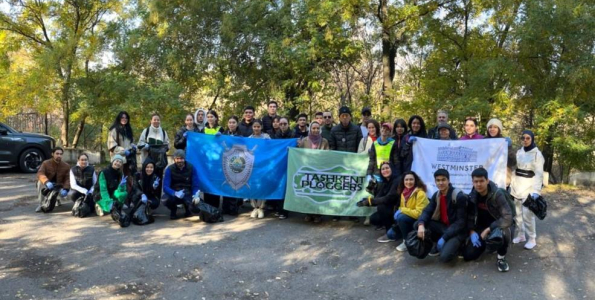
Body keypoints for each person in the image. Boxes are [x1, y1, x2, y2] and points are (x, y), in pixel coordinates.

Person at [463, 168, 514, 272]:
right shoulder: (473, 195)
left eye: (481, 181)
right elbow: (470, 216)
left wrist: (488, 229)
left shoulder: (497, 194)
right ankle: (488, 244)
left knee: (504, 232)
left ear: (487, 180)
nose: (478, 184)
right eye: (476, 182)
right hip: (481, 228)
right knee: (468, 255)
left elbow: (508, 217)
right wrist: (472, 231)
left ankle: (501, 258)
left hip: (497, 226)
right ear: (472, 182)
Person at [415, 169, 468, 263]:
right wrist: (421, 225)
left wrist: (445, 237)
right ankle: (440, 242)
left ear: (448, 180)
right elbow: (427, 211)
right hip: (444, 227)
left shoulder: (458, 196)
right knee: (418, 224)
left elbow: (461, 223)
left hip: (457, 231)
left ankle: (459, 245)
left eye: (443, 180)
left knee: (444, 257)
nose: (441, 183)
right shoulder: (437, 195)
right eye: (438, 180)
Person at [510, 130, 544, 250]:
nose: (525, 140)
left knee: (527, 214)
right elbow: (515, 169)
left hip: (529, 187)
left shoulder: (537, 155)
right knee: (518, 213)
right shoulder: (519, 152)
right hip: (517, 186)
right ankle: (521, 235)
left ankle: (532, 238)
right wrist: (512, 184)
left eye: (528, 138)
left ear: (532, 139)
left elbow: (539, 174)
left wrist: (536, 191)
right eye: (523, 138)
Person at [328, 106, 363, 222]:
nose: (344, 118)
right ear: (339, 117)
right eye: (342, 116)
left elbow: (360, 146)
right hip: (339, 164)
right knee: (338, 189)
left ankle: (353, 213)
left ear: (350, 117)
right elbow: (332, 147)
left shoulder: (356, 129)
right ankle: (337, 212)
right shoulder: (334, 130)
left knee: (352, 189)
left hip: (353, 164)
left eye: (346, 116)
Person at [385, 171, 429, 252]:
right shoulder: (403, 192)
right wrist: (402, 211)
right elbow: (403, 207)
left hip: (419, 221)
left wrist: (402, 210)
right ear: (403, 181)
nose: (408, 182)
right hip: (409, 218)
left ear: (415, 180)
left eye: (411, 179)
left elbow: (419, 214)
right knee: (390, 234)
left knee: (401, 217)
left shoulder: (420, 193)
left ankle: (406, 241)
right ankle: (409, 234)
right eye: (406, 180)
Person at [357, 162, 399, 238]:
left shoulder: (397, 180)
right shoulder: (385, 182)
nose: (385, 170)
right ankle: (391, 226)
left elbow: (388, 198)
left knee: (381, 207)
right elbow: (378, 198)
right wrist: (366, 202)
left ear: (392, 169)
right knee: (373, 219)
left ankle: (390, 233)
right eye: (383, 169)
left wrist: (370, 201)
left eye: (387, 168)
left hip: (398, 209)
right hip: (390, 208)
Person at [299, 121, 329, 223]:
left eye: (317, 128)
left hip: (320, 170)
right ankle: (308, 213)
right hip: (307, 170)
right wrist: (298, 146)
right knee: (308, 192)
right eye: (313, 128)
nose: (315, 130)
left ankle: (317, 214)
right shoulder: (304, 140)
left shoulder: (324, 141)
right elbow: (299, 154)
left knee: (318, 192)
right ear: (310, 129)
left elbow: (327, 154)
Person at [161, 150, 200, 220]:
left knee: (197, 207)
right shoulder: (169, 169)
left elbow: (195, 184)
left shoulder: (191, 168)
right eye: (177, 158)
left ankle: (188, 209)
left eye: (181, 158)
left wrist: (195, 195)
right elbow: (165, 187)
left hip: (187, 192)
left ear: (184, 159)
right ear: (174, 159)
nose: (179, 160)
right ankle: (173, 210)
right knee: (165, 199)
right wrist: (174, 193)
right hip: (174, 193)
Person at [35, 147, 71, 212]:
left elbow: (67, 179)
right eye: (57, 153)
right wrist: (46, 182)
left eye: (60, 154)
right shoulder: (45, 163)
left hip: (59, 186)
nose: (59, 155)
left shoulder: (66, 166)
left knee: (70, 193)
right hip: (48, 185)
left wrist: (66, 189)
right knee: (40, 182)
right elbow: (40, 173)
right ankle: (40, 204)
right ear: (52, 154)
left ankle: (57, 199)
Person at [248, 120, 270, 219]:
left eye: (258, 126)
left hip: (263, 166)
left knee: (262, 186)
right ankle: (254, 207)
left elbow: (272, 148)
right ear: (252, 127)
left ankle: (261, 207)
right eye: (254, 126)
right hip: (252, 166)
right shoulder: (249, 139)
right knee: (252, 186)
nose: (256, 128)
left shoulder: (266, 137)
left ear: (261, 127)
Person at [202, 110, 225, 208]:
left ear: (216, 118)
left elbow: (225, 142)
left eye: (212, 116)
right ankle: (208, 204)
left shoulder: (221, 129)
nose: (210, 118)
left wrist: (222, 135)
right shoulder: (203, 130)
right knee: (207, 180)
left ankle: (215, 205)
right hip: (207, 160)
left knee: (216, 181)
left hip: (218, 160)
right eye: (208, 117)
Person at [484, 118, 516, 187]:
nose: (492, 129)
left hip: (502, 177)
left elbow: (513, 162)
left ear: (499, 129)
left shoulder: (504, 142)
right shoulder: (483, 142)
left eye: (495, 127)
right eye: (490, 127)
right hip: (486, 176)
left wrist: (509, 148)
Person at [221, 116, 243, 215]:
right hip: (226, 163)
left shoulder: (241, 135)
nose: (231, 124)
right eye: (230, 122)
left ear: (237, 124)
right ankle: (225, 208)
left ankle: (234, 208)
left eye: (233, 122)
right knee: (227, 184)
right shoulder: (223, 134)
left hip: (237, 162)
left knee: (235, 185)